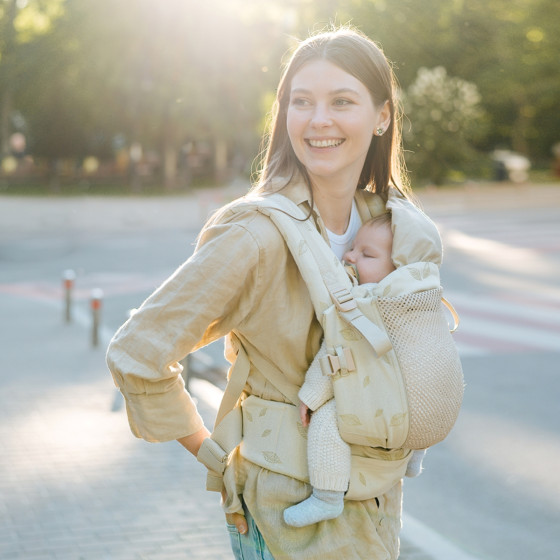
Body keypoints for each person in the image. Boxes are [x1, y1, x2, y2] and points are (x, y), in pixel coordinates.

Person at [107, 25, 422, 560]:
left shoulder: (389, 224)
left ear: (383, 116)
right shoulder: (254, 234)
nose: (319, 119)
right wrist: (211, 455)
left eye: (341, 101)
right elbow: (138, 351)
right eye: (302, 102)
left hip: (375, 502)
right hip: (287, 518)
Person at [283, 213, 427, 528]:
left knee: (329, 418)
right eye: (353, 247)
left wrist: (311, 396)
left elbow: (336, 352)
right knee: (426, 392)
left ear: (397, 269)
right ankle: (414, 458)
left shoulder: (366, 303)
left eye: (366, 254)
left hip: (385, 403)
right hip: (416, 408)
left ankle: (327, 497)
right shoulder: (422, 300)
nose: (349, 256)